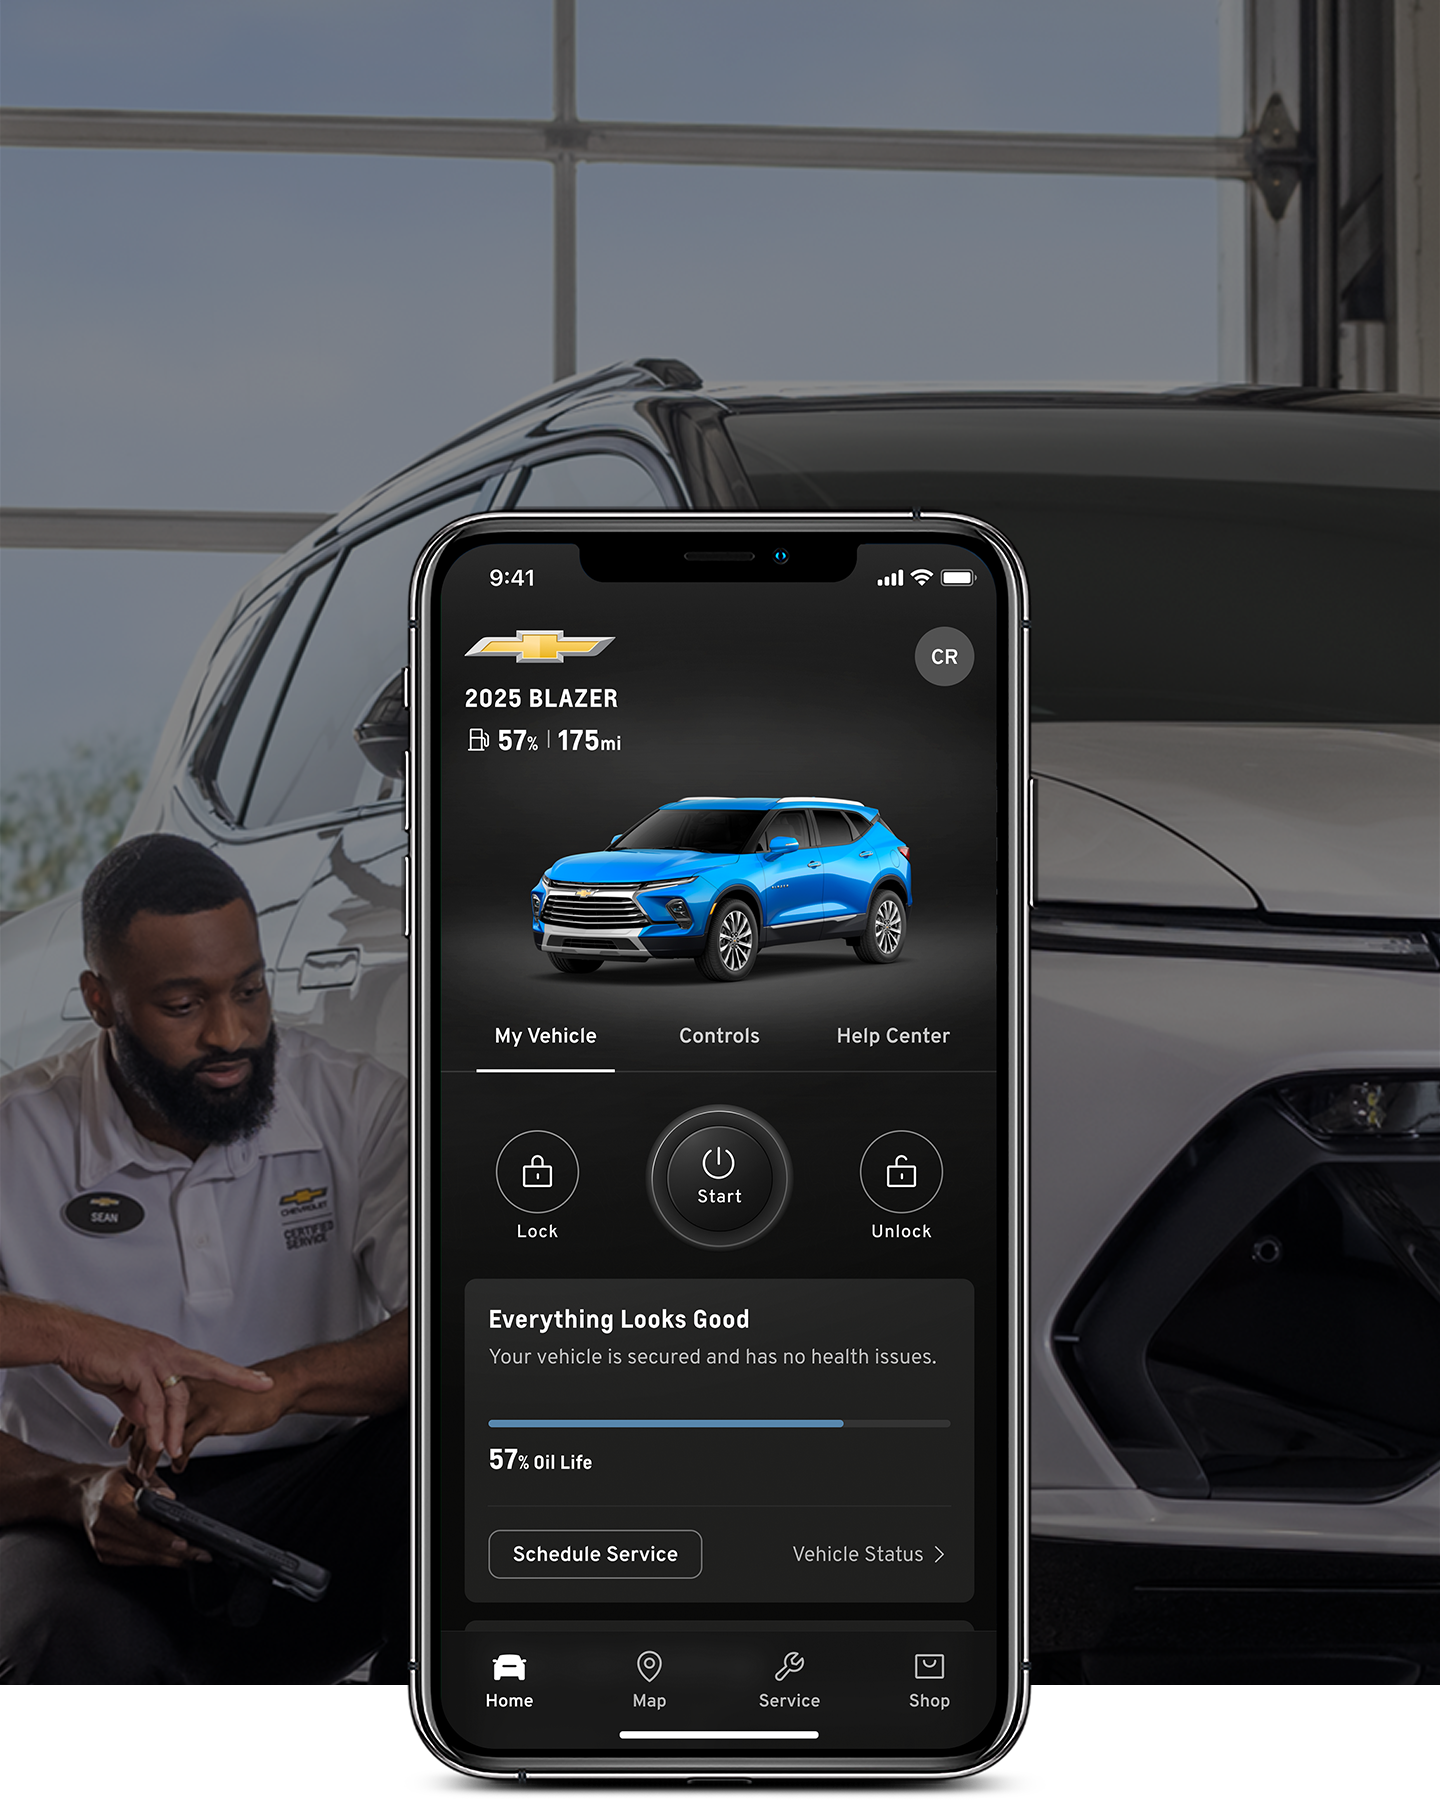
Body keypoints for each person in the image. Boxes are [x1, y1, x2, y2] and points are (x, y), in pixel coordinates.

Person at [0, 835, 408, 1683]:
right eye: (183, 1005)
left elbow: (477, 1328)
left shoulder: (361, 1105)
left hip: (314, 1494)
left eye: (250, 990)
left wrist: (279, 1387)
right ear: (100, 1000)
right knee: (72, 1643)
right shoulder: (13, 1134)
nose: (232, 1034)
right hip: (80, 1517)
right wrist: (65, 1458)